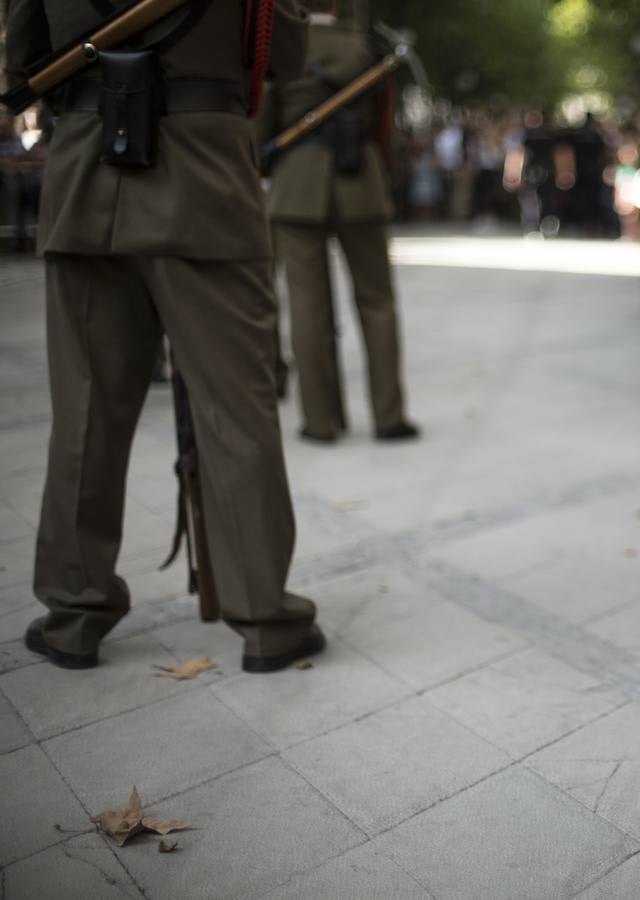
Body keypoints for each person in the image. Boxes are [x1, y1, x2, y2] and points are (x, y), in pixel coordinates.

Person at [6, 0, 325, 672]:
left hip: (88, 167)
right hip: (202, 173)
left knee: (85, 409)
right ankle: (266, 618)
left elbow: (23, 57)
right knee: (235, 406)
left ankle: (73, 614)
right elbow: (288, 54)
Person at [257, 0, 419, 444]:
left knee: (308, 309)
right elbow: (384, 124)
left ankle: (321, 421)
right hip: (360, 180)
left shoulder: (282, 46)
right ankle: (390, 416)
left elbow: (260, 127)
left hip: (296, 184)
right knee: (377, 303)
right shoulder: (366, 46)